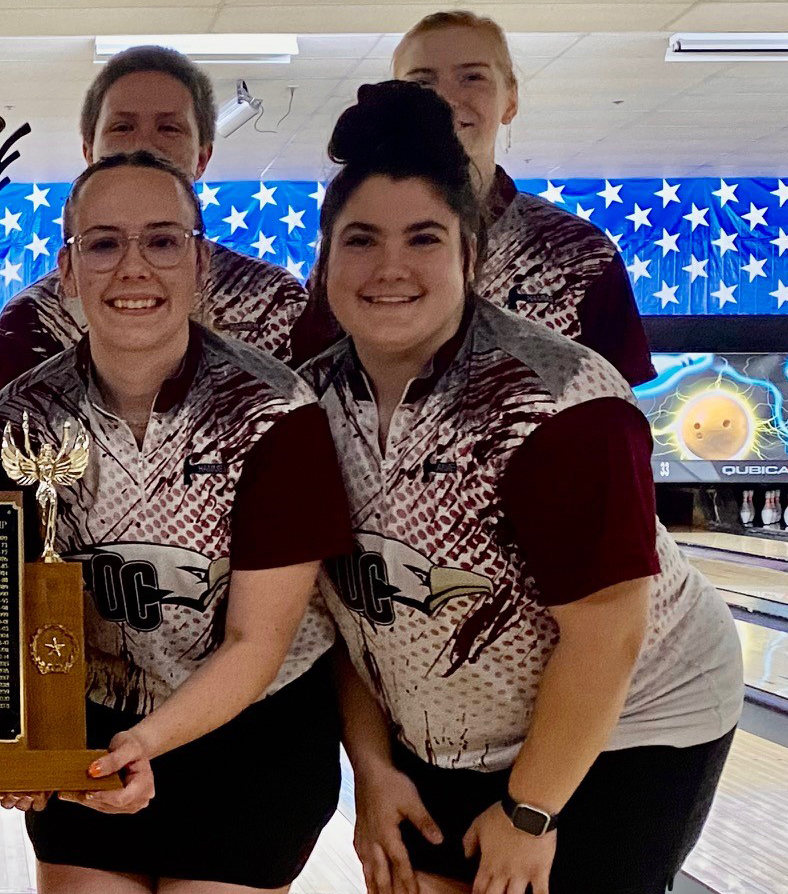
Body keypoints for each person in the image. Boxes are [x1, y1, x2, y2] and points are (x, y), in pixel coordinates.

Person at [302, 80, 742, 894]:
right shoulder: (305, 407)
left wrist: (532, 810)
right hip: (441, 725)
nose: (389, 266)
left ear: (469, 256)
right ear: (325, 259)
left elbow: (609, 630)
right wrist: (370, 769)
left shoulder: (561, 403)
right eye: (360, 239)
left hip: (633, 722)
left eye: (423, 238)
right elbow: (347, 612)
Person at [0, 150, 353, 893]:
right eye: (103, 241)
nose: (132, 267)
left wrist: (141, 744)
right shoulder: (20, 415)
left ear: (198, 262)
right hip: (87, 723)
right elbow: (6, 615)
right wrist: (15, 735)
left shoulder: (275, 413)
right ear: (66, 269)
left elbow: (256, 641)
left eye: (160, 239)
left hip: (252, 737)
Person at [293, 11, 654, 386]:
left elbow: (618, 407)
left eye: (472, 77)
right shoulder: (349, 258)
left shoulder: (579, 255)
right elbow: (312, 381)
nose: (447, 99)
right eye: (422, 82)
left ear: (510, 99)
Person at [0, 46, 308, 406]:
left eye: (169, 128)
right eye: (123, 127)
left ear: (202, 157)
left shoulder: (272, 303)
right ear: (89, 152)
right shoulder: (30, 323)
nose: (143, 145)